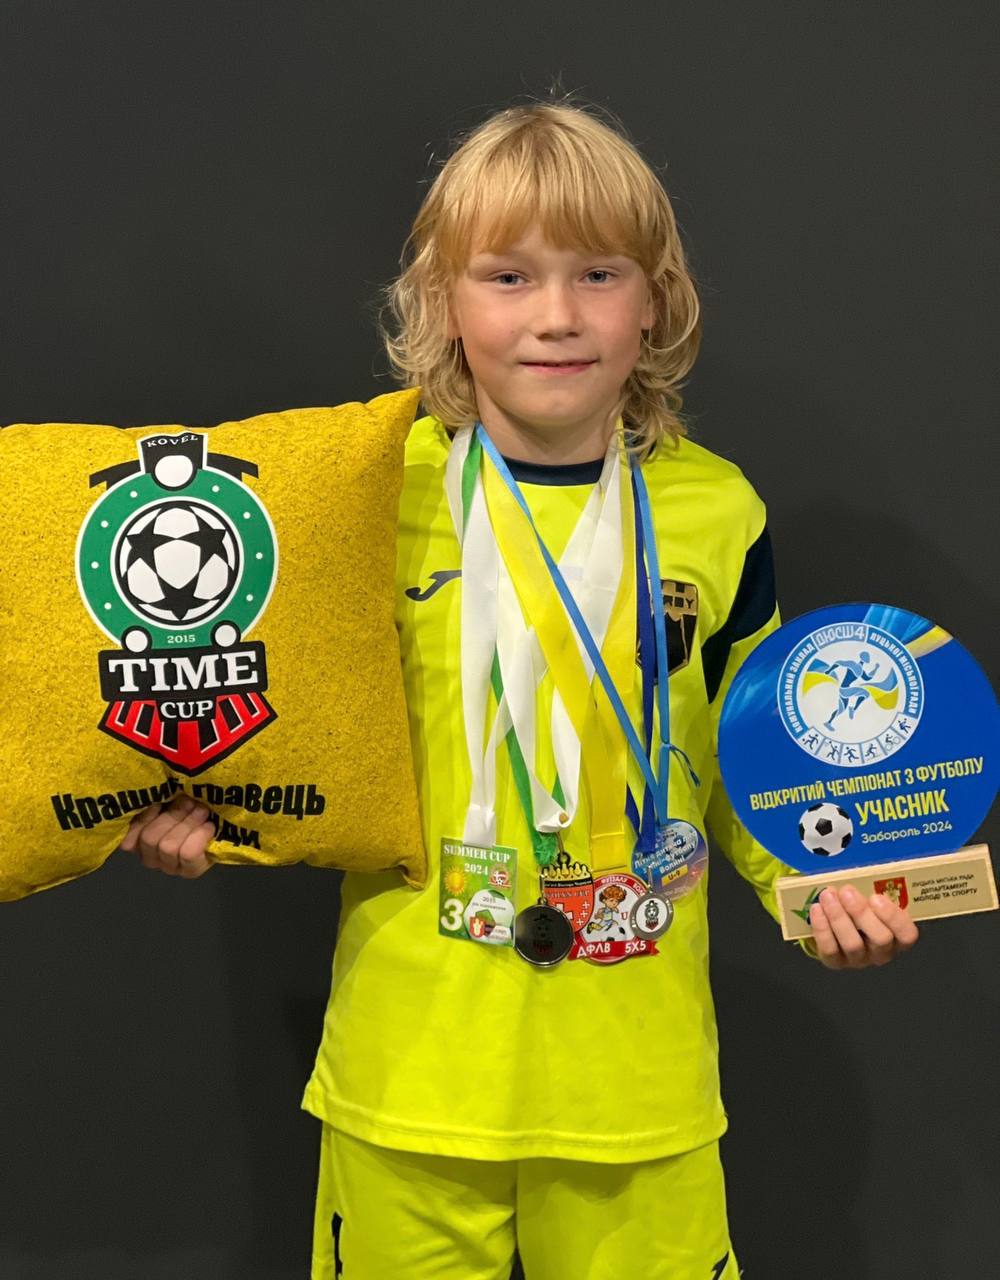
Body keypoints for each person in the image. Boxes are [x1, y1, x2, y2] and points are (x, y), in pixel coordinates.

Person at [119, 100, 920, 1280]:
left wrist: (821, 890)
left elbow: (755, 752)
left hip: (635, 1086)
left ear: (655, 300)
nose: (555, 315)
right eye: (508, 275)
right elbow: (284, 722)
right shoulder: (365, 495)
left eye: (597, 273)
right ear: (443, 301)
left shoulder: (716, 509)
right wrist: (207, 819)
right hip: (411, 1076)